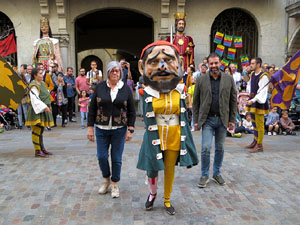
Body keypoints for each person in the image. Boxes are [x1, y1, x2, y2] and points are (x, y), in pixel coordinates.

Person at [137, 41, 198, 215]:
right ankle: (153, 192)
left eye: (168, 60)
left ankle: (167, 200)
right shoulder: (146, 92)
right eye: (155, 62)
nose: (162, 67)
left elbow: (185, 114)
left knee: (169, 169)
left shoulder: (180, 91)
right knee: (152, 169)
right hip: (154, 136)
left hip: (173, 135)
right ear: (143, 67)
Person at [87, 61, 136, 198]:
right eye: (113, 70)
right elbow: (92, 109)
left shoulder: (125, 88)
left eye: (118, 71)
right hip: (101, 128)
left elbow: (132, 110)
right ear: (108, 72)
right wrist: (90, 127)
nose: (115, 73)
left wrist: (130, 129)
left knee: (116, 158)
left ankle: (114, 183)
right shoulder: (100, 87)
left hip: (119, 129)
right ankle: (106, 179)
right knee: (101, 156)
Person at [193, 52, 237, 188]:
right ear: (208, 65)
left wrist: (232, 120)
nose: (213, 66)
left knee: (220, 148)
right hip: (208, 120)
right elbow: (196, 102)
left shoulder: (229, 79)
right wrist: (196, 120)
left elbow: (233, 101)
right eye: (211, 63)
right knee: (206, 147)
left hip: (223, 119)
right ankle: (204, 174)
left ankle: (216, 173)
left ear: (220, 63)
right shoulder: (201, 80)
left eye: (216, 63)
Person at [25, 68, 54, 157]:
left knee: (41, 130)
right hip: (36, 111)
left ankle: (42, 148)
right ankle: (37, 151)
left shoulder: (42, 84)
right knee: (36, 131)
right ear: (35, 75)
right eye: (40, 73)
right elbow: (34, 99)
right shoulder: (33, 85)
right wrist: (44, 107)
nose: (42, 75)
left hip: (42, 110)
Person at [245, 58, 269, 153]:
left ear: (258, 64)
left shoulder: (263, 76)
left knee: (260, 124)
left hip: (259, 101)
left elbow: (263, 91)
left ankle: (259, 144)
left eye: (252, 63)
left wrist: (254, 99)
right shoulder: (252, 74)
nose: (250, 65)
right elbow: (249, 86)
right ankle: (255, 141)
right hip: (253, 100)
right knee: (254, 122)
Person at [17, 64, 29, 129]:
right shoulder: (16, 83)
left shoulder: (25, 82)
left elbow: (26, 89)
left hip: (23, 97)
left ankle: (27, 123)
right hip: (18, 98)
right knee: (19, 111)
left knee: (25, 111)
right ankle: (20, 123)